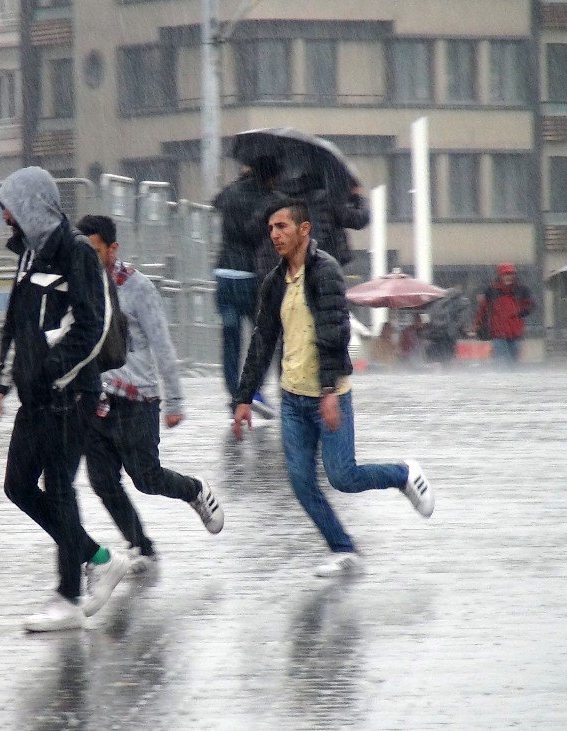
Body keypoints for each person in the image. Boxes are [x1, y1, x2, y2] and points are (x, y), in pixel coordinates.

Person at [231, 196, 435, 578]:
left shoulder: (325, 272)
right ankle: (344, 549)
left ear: (304, 230)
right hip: (293, 399)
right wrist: (243, 397)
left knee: (343, 476)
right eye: (271, 228)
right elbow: (262, 339)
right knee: (301, 483)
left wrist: (328, 392)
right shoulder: (275, 281)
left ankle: (403, 474)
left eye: (282, 227)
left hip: (330, 394)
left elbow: (334, 333)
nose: (274, 234)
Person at [0, 167, 129, 632]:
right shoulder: (28, 254)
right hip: (37, 396)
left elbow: (92, 327)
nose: (3, 214)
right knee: (18, 486)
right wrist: (0, 382)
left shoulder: (77, 255)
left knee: (59, 489)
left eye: (8, 203)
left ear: (30, 204)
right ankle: (98, 558)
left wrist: (51, 374)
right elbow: (17, 325)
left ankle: (68, 597)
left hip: (70, 395)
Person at [76, 215, 224, 571]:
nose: (86, 257)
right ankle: (141, 546)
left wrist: (174, 399)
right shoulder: (77, 284)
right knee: (102, 480)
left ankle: (193, 490)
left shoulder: (137, 287)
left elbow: (161, 343)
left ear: (113, 249)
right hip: (94, 398)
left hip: (136, 399)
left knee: (146, 478)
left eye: (94, 250)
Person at [212, 161, 280, 417]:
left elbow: (216, 202)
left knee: (230, 339)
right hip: (250, 275)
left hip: (223, 273)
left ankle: (234, 395)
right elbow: (253, 233)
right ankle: (254, 391)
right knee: (264, 336)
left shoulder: (230, 192)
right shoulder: (266, 198)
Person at [472, 263, 533, 364]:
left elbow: (529, 305)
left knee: (513, 363)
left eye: (511, 274)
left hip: (515, 333)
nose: (508, 277)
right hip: (499, 333)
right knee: (500, 362)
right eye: (506, 274)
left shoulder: (521, 290)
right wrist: (477, 324)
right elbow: (483, 309)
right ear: (500, 275)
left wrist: (519, 312)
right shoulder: (491, 291)